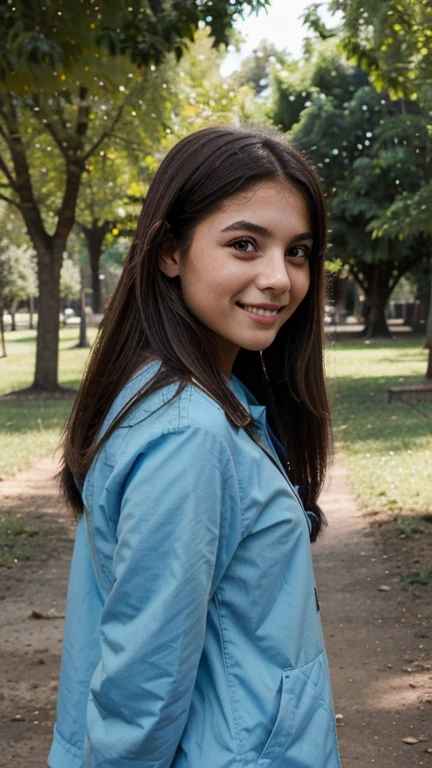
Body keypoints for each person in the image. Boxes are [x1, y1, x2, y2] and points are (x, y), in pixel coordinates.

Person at [48, 125, 342, 768]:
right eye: (244, 244)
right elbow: (142, 687)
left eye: (298, 252)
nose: (280, 279)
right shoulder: (189, 432)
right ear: (169, 252)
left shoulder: (198, 399)